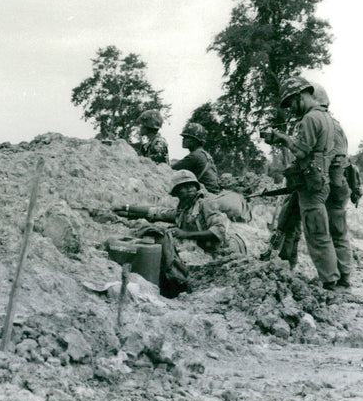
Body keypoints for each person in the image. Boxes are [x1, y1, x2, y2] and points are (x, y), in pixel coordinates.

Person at [262, 76, 339, 290]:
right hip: (318, 178)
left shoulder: (309, 119)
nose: (291, 109)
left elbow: (302, 149)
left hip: (311, 183)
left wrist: (281, 138)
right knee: (318, 230)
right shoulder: (325, 117)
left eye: (291, 103)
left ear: (300, 96)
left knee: (316, 232)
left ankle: (329, 282)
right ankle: (330, 278)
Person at [112, 170, 246, 258]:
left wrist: (186, 234)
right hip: (202, 252)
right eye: (184, 188)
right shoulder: (183, 210)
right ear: (177, 193)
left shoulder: (206, 204)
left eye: (191, 186)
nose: (189, 190)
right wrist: (126, 209)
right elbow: (156, 212)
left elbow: (218, 232)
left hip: (222, 253)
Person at [170, 122, 221, 194]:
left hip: (206, 193)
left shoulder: (195, 156)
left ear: (195, 140)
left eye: (187, 138)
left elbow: (172, 168)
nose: (183, 140)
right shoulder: (203, 154)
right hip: (212, 192)